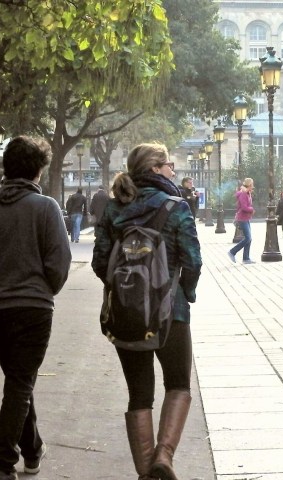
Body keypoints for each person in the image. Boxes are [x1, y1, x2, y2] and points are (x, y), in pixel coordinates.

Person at [92, 143, 202, 480]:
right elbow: (193, 260)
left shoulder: (114, 208)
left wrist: (126, 291)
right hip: (173, 312)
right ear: (155, 168)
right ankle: (164, 457)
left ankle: (145, 473)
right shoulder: (176, 206)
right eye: (169, 164)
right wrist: (186, 292)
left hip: (127, 314)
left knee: (139, 392)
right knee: (178, 383)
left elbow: (100, 262)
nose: (173, 169)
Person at [0, 136, 71, 480]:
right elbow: (58, 263)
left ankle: (32, 449)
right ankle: (2, 460)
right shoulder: (46, 207)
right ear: (39, 170)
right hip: (34, 308)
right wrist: (44, 288)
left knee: (18, 380)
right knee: (20, 382)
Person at [228, 178, 256, 264]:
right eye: (252, 185)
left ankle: (246, 258)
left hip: (246, 218)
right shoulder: (243, 194)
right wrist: (251, 209)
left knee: (249, 238)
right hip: (242, 218)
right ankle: (232, 252)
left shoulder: (247, 193)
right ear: (249, 185)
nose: (253, 187)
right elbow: (244, 207)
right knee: (247, 238)